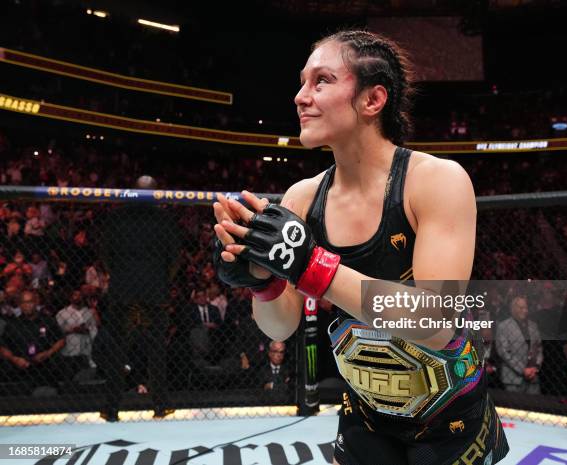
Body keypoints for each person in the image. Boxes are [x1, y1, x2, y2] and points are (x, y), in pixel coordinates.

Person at [213, 30, 509, 465]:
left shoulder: (436, 181)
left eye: (322, 81)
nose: (300, 96)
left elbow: (432, 318)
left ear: (372, 100)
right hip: (365, 412)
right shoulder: (301, 198)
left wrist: (312, 265)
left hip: (449, 417)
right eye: (302, 82)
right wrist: (260, 282)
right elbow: (279, 327)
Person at [99, 175, 181, 421]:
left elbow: (105, 255)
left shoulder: (116, 218)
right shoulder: (165, 220)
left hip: (123, 289)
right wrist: (161, 280)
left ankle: (112, 408)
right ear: (155, 193)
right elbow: (174, 259)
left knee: (117, 350)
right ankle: (159, 406)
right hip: (154, 290)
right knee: (156, 350)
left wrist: (119, 275)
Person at [495, 296, 543, 394]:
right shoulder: (503, 326)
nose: (525, 310)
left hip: (533, 377)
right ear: (513, 309)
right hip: (513, 378)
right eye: (521, 308)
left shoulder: (533, 326)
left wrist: (536, 367)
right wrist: (523, 370)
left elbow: (539, 349)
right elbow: (504, 352)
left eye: (526, 307)